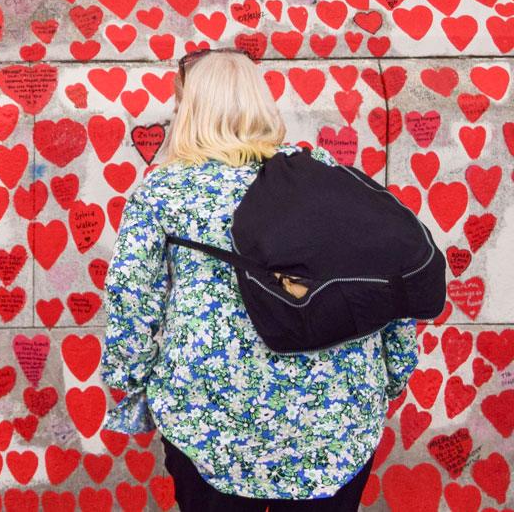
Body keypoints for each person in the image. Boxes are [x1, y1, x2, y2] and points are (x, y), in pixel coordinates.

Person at [99, 49, 419, 511]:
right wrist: (393, 373)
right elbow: (389, 282)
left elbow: (131, 297)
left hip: (207, 417)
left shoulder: (165, 191)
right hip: (335, 417)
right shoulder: (328, 180)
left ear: (189, 109)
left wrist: (131, 381)